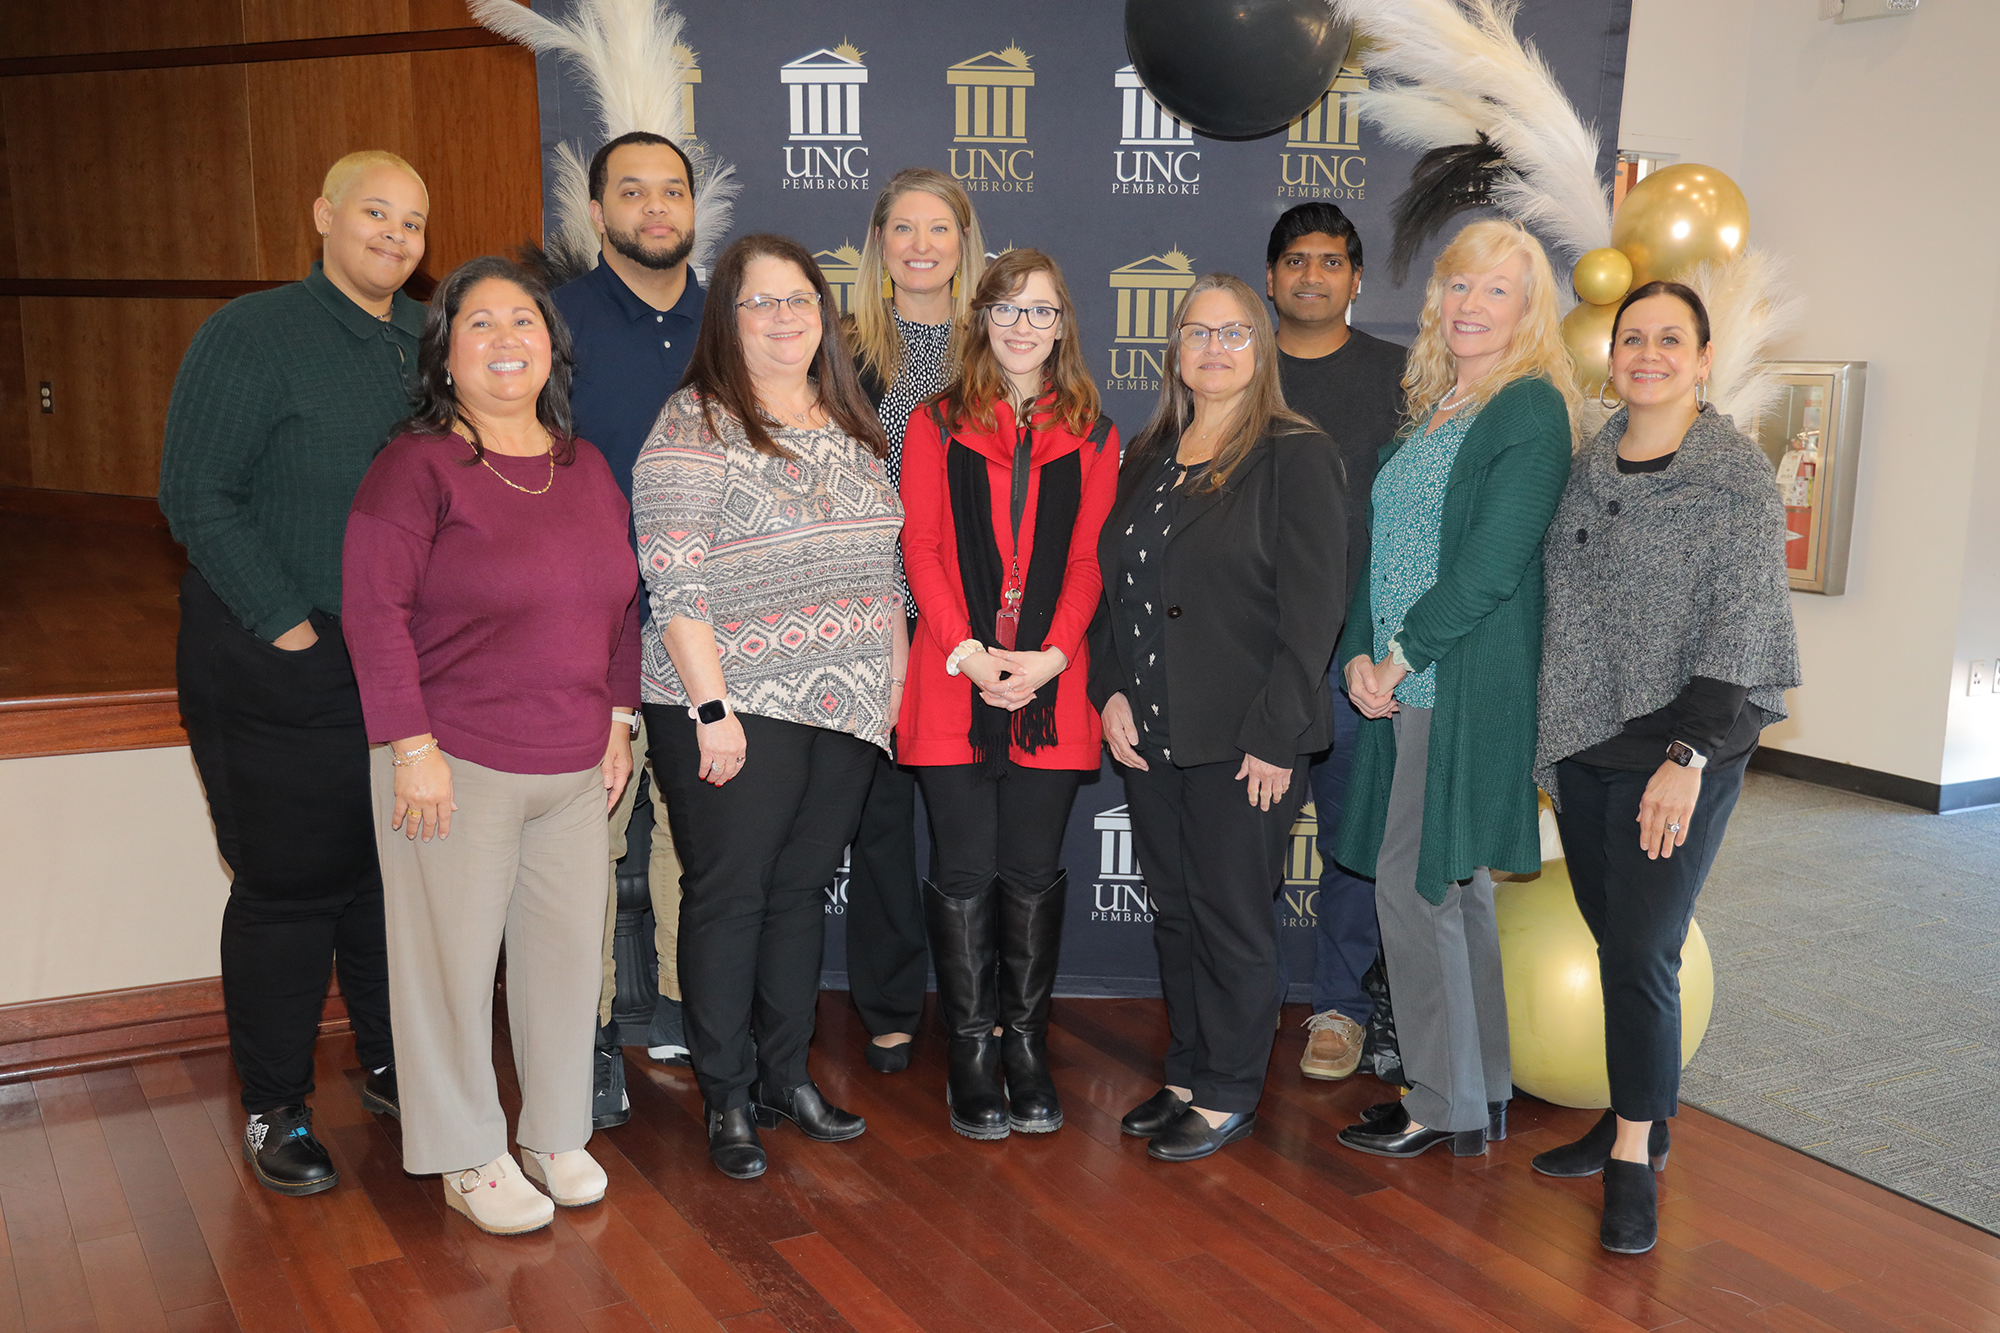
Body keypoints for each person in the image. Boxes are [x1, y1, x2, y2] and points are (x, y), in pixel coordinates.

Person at [342, 256, 640, 1235]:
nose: (506, 339)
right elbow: (372, 613)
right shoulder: (414, 467)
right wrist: (409, 744)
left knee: (562, 962)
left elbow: (621, 606)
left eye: (524, 321)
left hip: (570, 765)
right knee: (446, 973)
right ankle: (466, 1153)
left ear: (551, 345)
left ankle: (553, 1133)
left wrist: (619, 718)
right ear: (445, 353)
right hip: (452, 763)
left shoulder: (584, 464)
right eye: (480, 324)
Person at [158, 150, 426, 1196]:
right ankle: (275, 1105)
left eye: (412, 223)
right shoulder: (250, 334)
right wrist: (292, 629)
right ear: (322, 213)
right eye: (375, 212)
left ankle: (391, 1064)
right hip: (274, 660)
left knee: (379, 882)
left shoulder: (426, 340)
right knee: (287, 890)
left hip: (393, 665)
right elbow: (195, 497)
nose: (395, 237)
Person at [1533, 280, 1799, 1254]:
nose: (1646, 353)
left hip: (1684, 745)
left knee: (1643, 948)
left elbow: (1739, 624)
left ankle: (1634, 1154)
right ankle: (1631, 1110)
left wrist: (1686, 757)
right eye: (1631, 337)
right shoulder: (1590, 456)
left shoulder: (1729, 471)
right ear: (1612, 356)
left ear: (1699, 356)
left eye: (1668, 339)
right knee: (1615, 939)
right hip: (1586, 740)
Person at [633, 234, 905, 1180]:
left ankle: (786, 1075)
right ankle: (727, 1095)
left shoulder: (850, 419)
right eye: (760, 302)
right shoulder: (693, 422)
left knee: (797, 894)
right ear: (727, 318)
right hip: (732, 701)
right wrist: (711, 709)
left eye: (800, 298)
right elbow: (675, 579)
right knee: (730, 893)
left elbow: (884, 567)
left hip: (849, 702)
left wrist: (894, 687)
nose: (785, 316)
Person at [1331, 220, 1579, 1162]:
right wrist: (1361, 649)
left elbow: (1492, 566)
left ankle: (1440, 1098)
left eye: (1496, 291)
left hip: (1457, 683)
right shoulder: (1437, 404)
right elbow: (1385, 555)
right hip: (1405, 681)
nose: (1470, 305)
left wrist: (1397, 657)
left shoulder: (1527, 410)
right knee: (1454, 888)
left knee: (1418, 883)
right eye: (1458, 286)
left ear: (1528, 310)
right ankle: (1480, 1088)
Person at [1089, 273, 1346, 1163]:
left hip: (1248, 740)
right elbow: (1119, 591)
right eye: (1197, 332)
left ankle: (1232, 1088)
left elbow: (1316, 610)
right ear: (1174, 349)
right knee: (1176, 912)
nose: (1214, 348)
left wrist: (1278, 732)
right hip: (1154, 729)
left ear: (1261, 346)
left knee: (1234, 914)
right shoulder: (1152, 449)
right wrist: (1109, 688)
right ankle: (1189, 1072)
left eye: (1234, 332)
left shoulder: (1293, 453)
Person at [898, 249, 1117, 1139]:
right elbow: (924, 550)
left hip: (1052, 687)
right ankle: (969, 1051)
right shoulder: (934, 422)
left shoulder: (1098, 433)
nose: (1023, 326)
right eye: (1006, 309)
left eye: (1041, 311)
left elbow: (1089, 560)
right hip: (954, 677)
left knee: (1030, 870)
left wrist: (1051, 657)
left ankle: (1023, 1041)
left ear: (1063, 326)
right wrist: (973, 652)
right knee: (962, 870)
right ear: (980, 320)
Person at [552, 130, 706, 1125]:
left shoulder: (735, 320)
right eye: (632, 191)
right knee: (584, 850)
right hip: (585, 635)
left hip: (708, 636)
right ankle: (589, 1036)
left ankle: (697, 1017)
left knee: (700, 851)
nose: (656, 208)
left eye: (672, 190)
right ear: (598, 210)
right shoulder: (552, 321)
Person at [843, 168, 989, 1073]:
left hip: (977, 621)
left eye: (940, 229)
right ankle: (891, 1000)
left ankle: (983, 1001)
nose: (923, 245)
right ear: (880, 241)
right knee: (883, 822)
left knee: (975, 823)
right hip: (872, 615)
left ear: (964, 243)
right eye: (905, 227)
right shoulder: (842, 345)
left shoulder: (998, 341)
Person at [1262, 202, 1408, 1080]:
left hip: (1363, 665)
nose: (1312, 275)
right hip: (1261, 665)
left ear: (1357, 279)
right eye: (1295, 261)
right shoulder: (1241, 371)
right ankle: (1243, 1002)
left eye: (1331, 261)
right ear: (1272, 277)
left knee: (1356, 847)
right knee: (1247, 851)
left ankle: (1341, 1009)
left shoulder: (1401, 379)